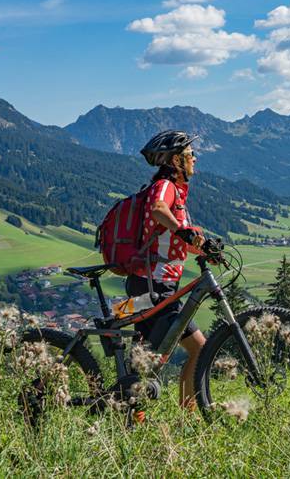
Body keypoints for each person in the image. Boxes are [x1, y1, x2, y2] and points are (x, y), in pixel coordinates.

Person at [127, 129, 206, 409]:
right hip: (152, 286)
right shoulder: (165, 186)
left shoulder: (178, 193)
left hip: (158, 286)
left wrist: (204, 248)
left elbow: (177, 238)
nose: (195, 158)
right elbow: (158, 209)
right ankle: (186, 416)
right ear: (175, 161)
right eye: (189, 155)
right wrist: (181, 230)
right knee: (189, 351)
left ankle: (135, 417)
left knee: (147, 358)